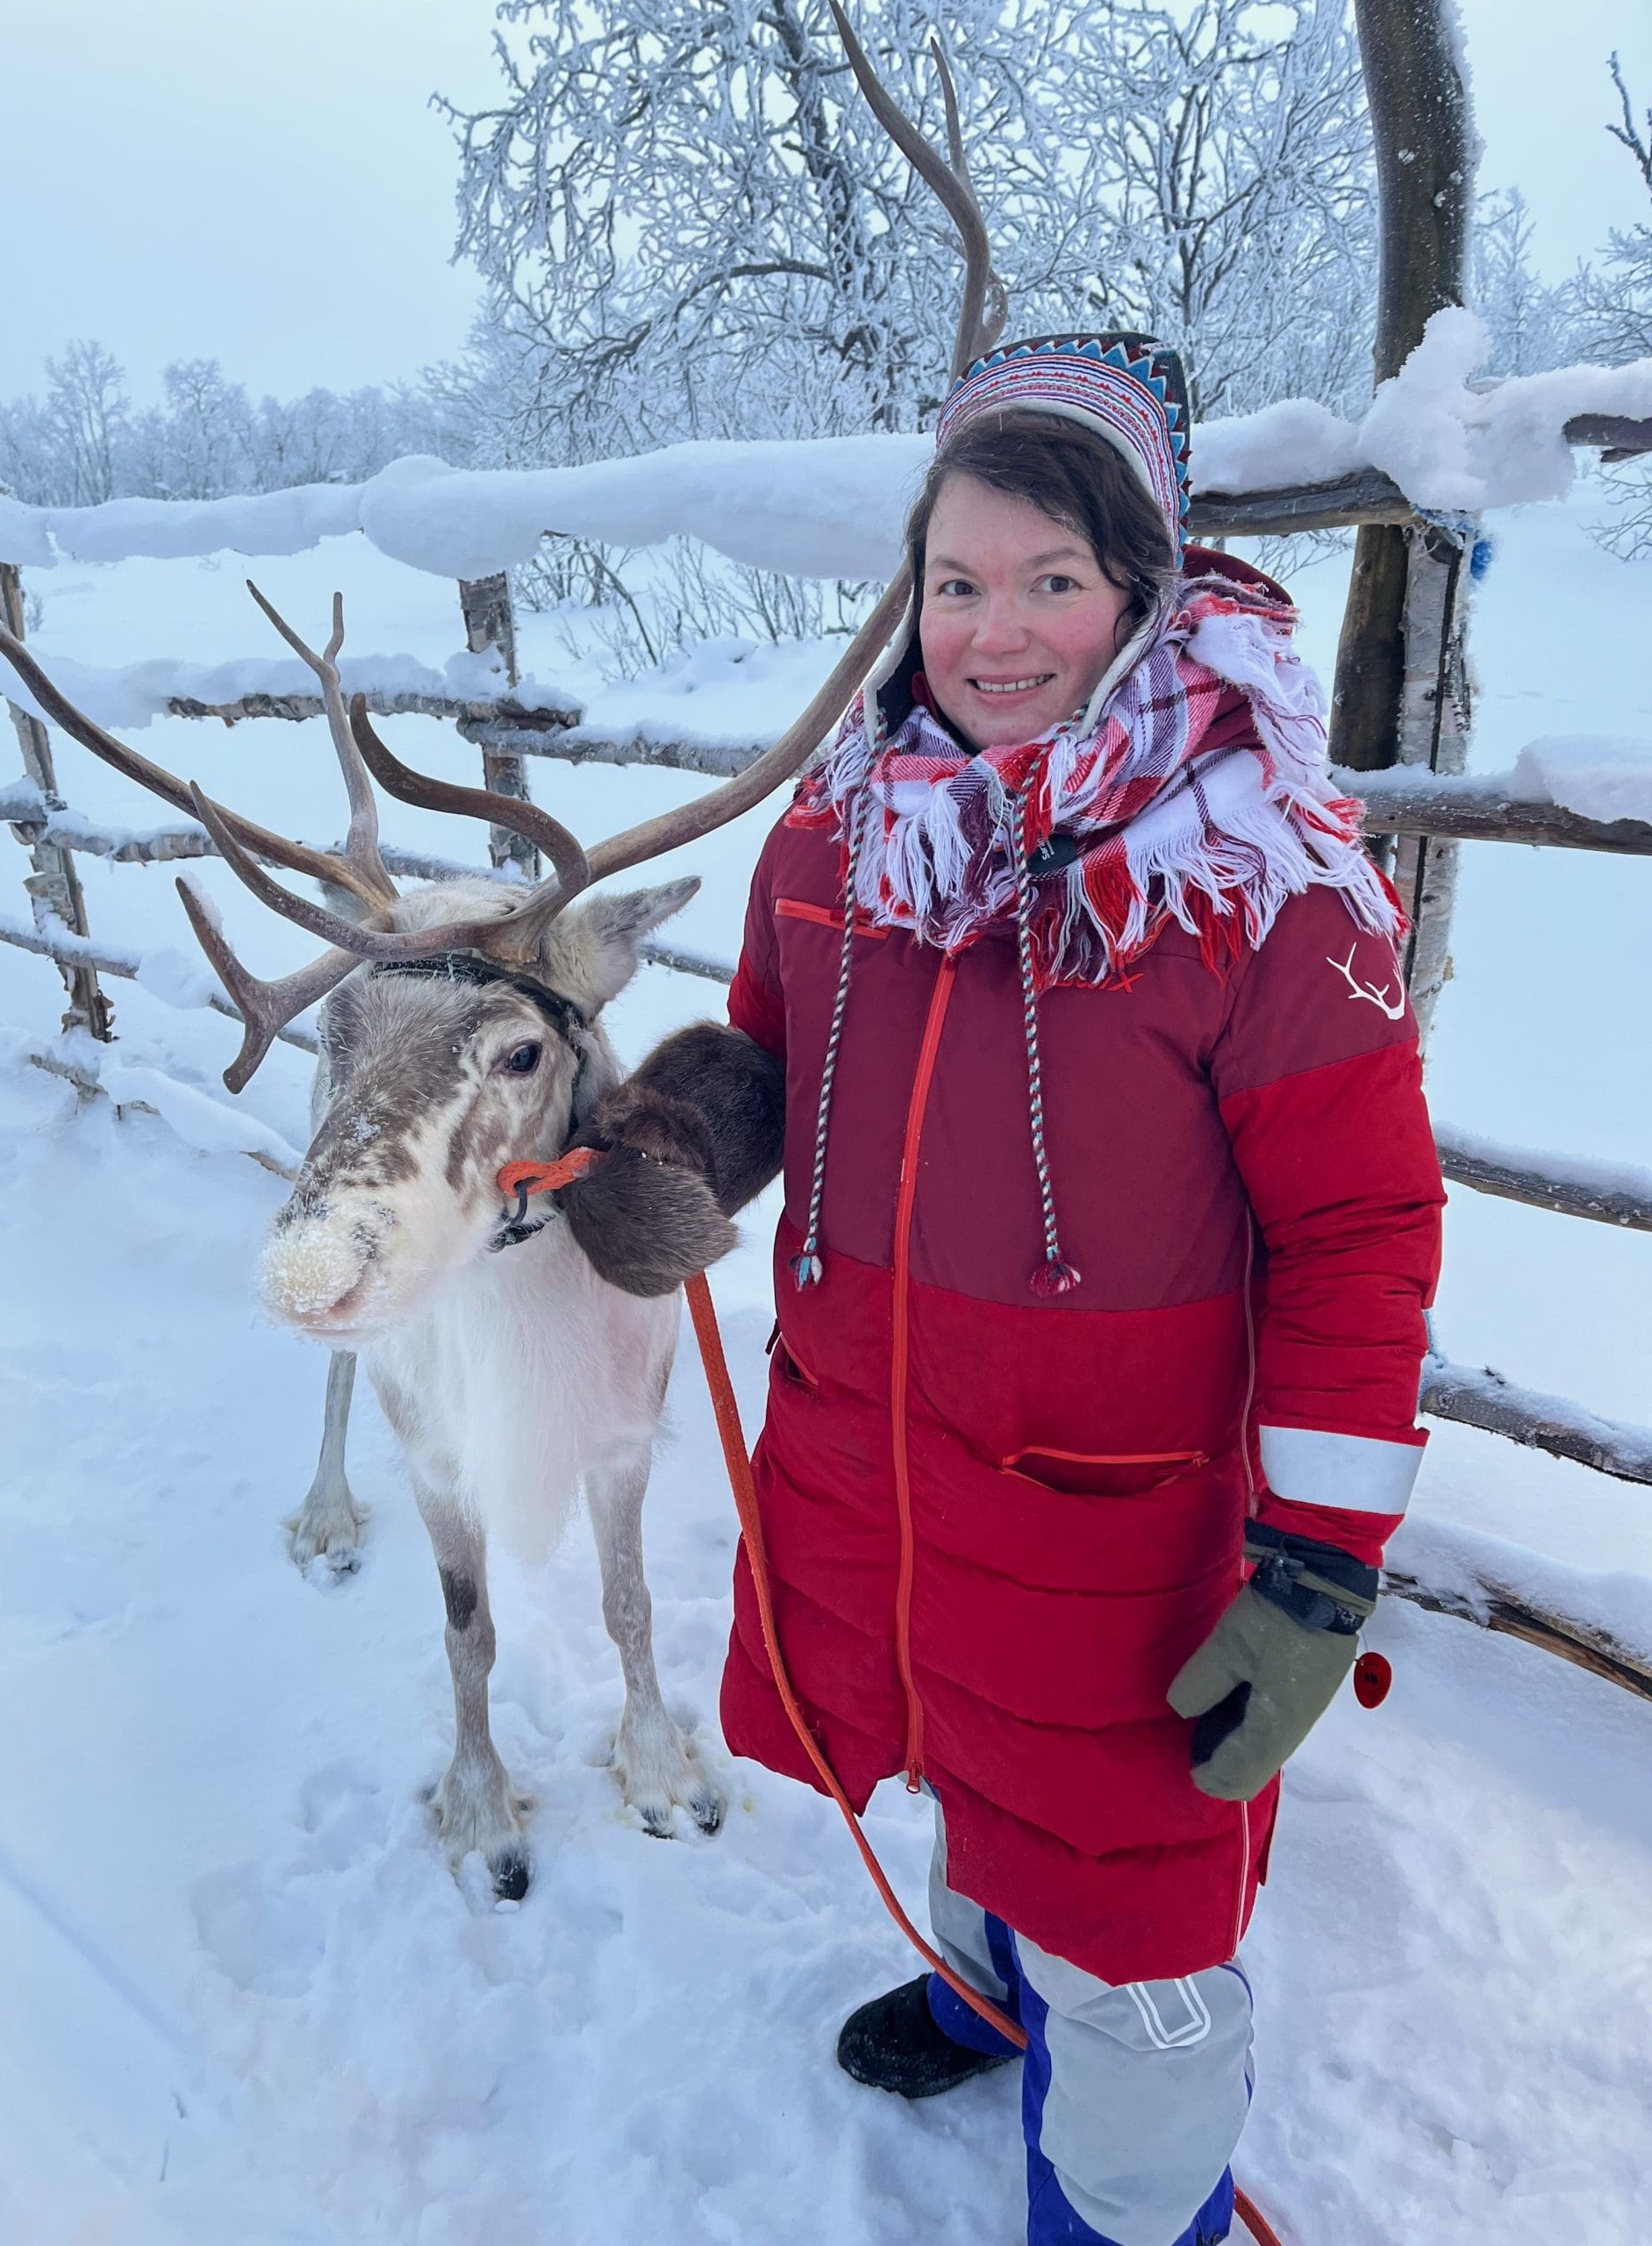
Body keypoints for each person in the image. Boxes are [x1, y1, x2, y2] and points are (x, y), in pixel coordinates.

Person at [556, 335, 1445, 2246]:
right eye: (957, 581)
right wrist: (674, 1147)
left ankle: (1130, 2204)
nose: (997, 633)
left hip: (1122, 1540)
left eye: (1053, 578)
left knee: (1133, 1923)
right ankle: (983, 1980)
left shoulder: (1260, 879)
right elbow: (778, 1059)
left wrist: (1316, 1566)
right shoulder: (841, 834)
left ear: (1146, 581)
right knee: (960, 1765)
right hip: (889, 1476)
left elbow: (1362, 1236)